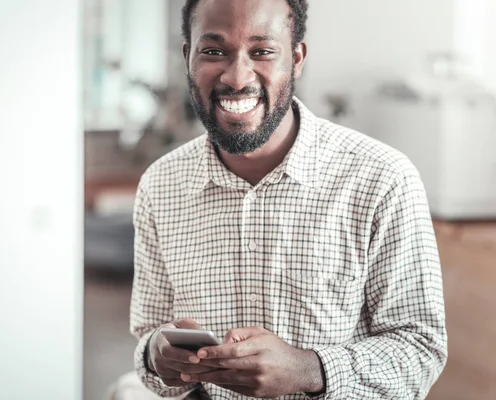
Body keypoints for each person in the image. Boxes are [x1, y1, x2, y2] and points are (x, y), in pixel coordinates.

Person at [128, 0, 448, 398]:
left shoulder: (383, 179)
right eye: (213, 51)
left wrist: (309, 371)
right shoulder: (160, 185)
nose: (236, 77)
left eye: (262, 51)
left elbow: (422, 349)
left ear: (296, 58)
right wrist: (156, 355)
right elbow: (148, 334)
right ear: (187, 57)